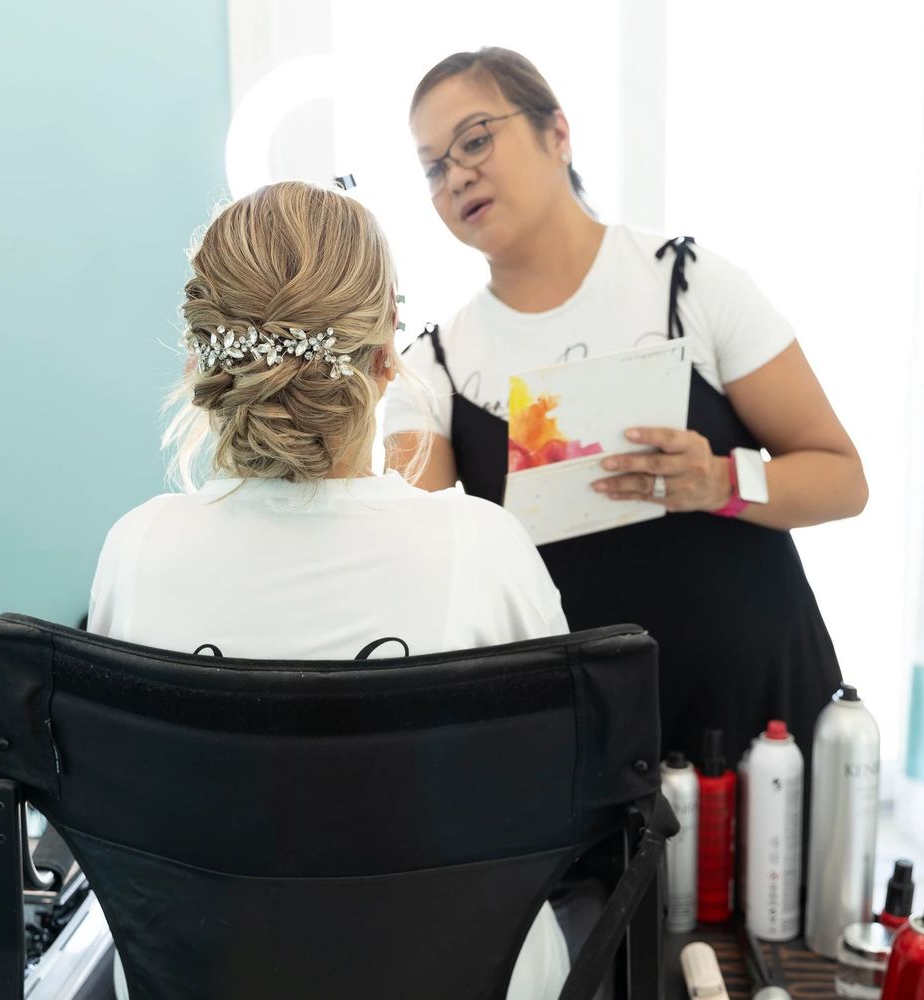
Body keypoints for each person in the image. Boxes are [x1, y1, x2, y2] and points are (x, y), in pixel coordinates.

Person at [88, 180, 571, 1000]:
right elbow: (564, 793)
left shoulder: (138, 550)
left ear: (201, 356)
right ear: (389, 355)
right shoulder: (482, 548)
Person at [387, 47, 868, 774]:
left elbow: (842, 479)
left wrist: (722, 483)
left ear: (558, 133)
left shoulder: (692, 284)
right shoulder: (431, 369)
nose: (456, 175)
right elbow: (411, 566)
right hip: (576, 742)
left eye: (476, 139)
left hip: (760, 720)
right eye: (433, 166)